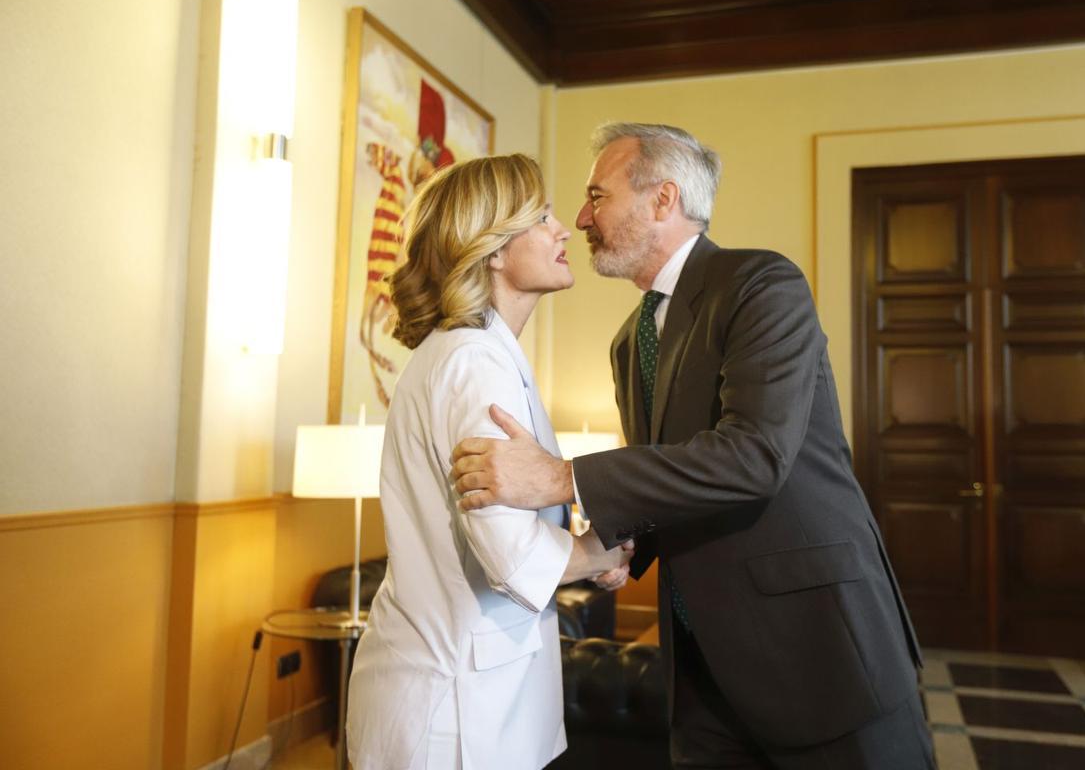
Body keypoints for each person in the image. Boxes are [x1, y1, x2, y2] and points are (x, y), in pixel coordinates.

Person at [451, 124, 934, 768]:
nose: (582, 218)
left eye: (597, 196)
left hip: (820, 652)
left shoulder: (761, 284)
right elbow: (673, 481)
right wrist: (622, 547)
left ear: (663, 199)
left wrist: (562, 478)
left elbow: (754, 458)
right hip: (701, 672)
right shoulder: (629, 341)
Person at [346, 154, 633, 770]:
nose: (563, 229)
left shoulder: (475, 354)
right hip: (451, 711)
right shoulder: (474, 362)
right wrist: (597, 555)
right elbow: (510, 555)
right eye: (542, 218)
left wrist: (585, 550)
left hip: (461, 692)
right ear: (494, 249)